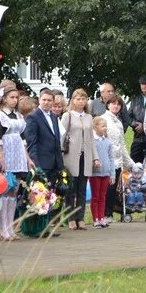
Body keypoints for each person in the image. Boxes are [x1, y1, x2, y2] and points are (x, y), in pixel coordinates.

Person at [0, 87, 34, 241]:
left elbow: (23, 139)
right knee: (4, 189)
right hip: (7, 152)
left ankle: (10, 228)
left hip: (18, 153)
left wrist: (28, 158)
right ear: (4, 98)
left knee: (14, 190)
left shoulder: (18, 115)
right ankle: (2, 227)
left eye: (16, 97)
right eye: (11, 97)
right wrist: (1, 157)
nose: (14, 100)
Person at [62, 89, 100, 230]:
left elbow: (91, 139)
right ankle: (70, 218)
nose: (80, 101)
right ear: (72, 100)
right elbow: (62, 136)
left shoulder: (89, 117)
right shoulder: (67, 116)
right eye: (78, 99)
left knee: (82, 189)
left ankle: (81, 217)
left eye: (83, 99)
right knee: (71, 189)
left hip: (86, 156)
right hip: (71, 156)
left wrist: (96, 158)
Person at [102, 94, 135, 222]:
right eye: (113, 103)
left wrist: (130, 163)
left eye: (118, 104)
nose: (116, 106)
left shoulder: (119, 123)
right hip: (106, 160)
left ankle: (109, 213)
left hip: (117, 161)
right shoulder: (102, 118)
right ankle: (104, 214)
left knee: (114, 189)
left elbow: (122, 145)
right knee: (107, 189)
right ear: (108, 105)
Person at [25, 89, 64, 184]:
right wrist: (36, 165)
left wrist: (60, 164)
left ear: (53, 102)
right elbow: (31, 142)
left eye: (49, 100)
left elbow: (56, 140)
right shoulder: (33, 117)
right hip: (41, 163)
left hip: (55, 163)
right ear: (39, 100)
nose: (46, 102)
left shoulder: (54, 117)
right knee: (41, 195)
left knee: (54, 195)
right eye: (44, 100)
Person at [90, 117, 115, 228]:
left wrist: (112, 174)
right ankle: (95, 219)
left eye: (106, 126)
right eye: (102, 126)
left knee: (102, 196)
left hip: (106, 173)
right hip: (95, 173)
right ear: (95, 127)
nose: (105, 128)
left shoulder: (108, 142)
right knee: (95, 196)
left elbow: (111, 159)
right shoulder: (92, 141)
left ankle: (101, 218)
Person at [128, 75, 146, 164]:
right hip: (137, 137)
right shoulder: (135, 99)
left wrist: (144, 126)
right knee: (134, 165)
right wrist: (135, 124)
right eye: (142, 84)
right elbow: (128, 116)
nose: (144, 86)